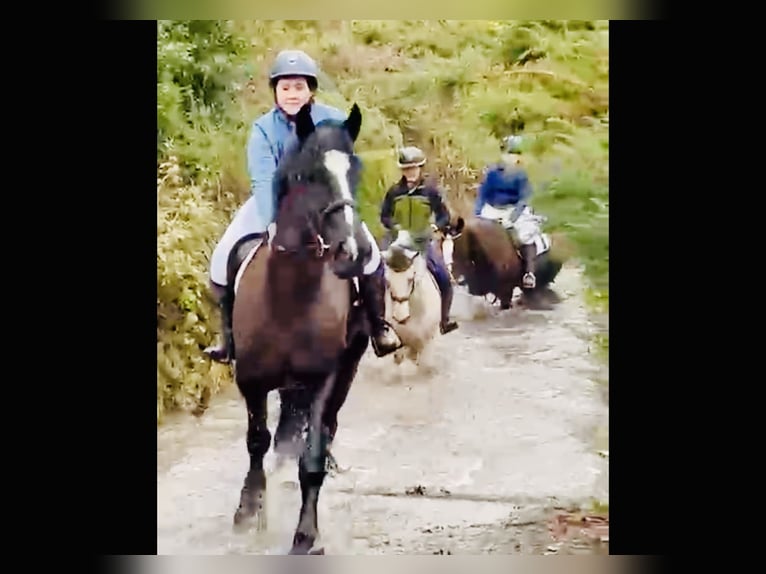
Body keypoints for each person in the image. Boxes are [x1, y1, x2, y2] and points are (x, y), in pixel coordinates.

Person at [204, 49, 401, 363]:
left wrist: (347, 205)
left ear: (311, 89)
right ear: (275, 91)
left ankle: (378, 326)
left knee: (370, 254)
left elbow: (346, 166)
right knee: (222, 255)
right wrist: (271, 221)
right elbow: (263, 177)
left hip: (326, 202)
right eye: (285, 87)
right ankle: (228, 338)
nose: (292, 94)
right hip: (274, 200)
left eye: (299, 87)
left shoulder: (334, 120)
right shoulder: (263, 129)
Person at [379, 146, 458, 335]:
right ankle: (378, 327)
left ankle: (444, 321)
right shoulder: (394, 192)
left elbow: (444, 216)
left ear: (420, 168)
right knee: (376, 276)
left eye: (414, 168)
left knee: (444, 278)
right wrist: (395, 227)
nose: (410, 173)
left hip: (423, 241)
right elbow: (384, 216)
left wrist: (435, 227)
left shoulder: (431, 191)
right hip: (398, 240)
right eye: (406, 169)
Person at [473, 134, 544, 289]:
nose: (513, 158)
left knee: (527, 234)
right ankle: (473, 272)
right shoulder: (492, 173)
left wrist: (512, 218)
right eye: (510, 154)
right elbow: (483, 194)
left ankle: (529, 272)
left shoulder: (521, 174)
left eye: (516, 154)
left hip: (514, 209)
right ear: (503, 154)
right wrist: (477, 213)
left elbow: (524, 198)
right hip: (492, 209)